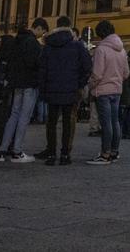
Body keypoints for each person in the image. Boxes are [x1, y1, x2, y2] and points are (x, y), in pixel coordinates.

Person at [36, 16, 92, 165]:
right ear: (69, 27)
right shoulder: (77, 46)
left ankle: (51, 153)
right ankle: (65, 154)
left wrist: (43, 89)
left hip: (52, 89)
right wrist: (80, 84)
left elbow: (42, 70)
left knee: (51, 122)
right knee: (67, 122)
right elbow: (87, 67)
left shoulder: (48, 46)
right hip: (71, 89)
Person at [0, 17, 47, 164]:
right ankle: (17, 151)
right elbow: (35, 63)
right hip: (29, 84)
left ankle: (2, 149)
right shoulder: (32, 43)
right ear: (38, 28)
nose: (41, 35)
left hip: (16, 83)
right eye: (42, 32)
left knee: (14, 115)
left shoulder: (16, 40)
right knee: (24, 117)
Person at [86, 20, 127, 165]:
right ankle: (114, 151)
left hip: (102, 90)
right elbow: (126, 73)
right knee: (115, 121)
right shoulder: (122, 50)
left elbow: (97, 74)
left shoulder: (101, 49)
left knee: (106, 123)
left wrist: (91, 86)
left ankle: (105, 154)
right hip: (117, 90)